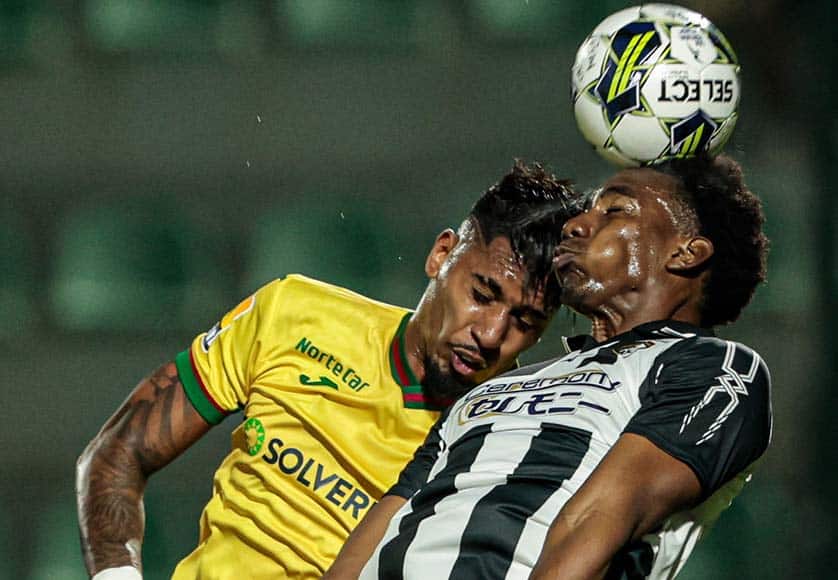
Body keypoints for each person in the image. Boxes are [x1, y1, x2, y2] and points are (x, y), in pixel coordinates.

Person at [75, 161, 581, 580]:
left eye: (524, 320)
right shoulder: (293, 313)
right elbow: (118, 454)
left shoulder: (518, 435)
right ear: (440, 255)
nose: (491, 334)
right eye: (482, 294)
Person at [325, 154, 773, 580]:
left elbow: (596, 522)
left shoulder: (711, 368)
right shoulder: (495, 388)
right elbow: (383, 527)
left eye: (615, 211)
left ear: (686, 253)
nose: (575, 225)